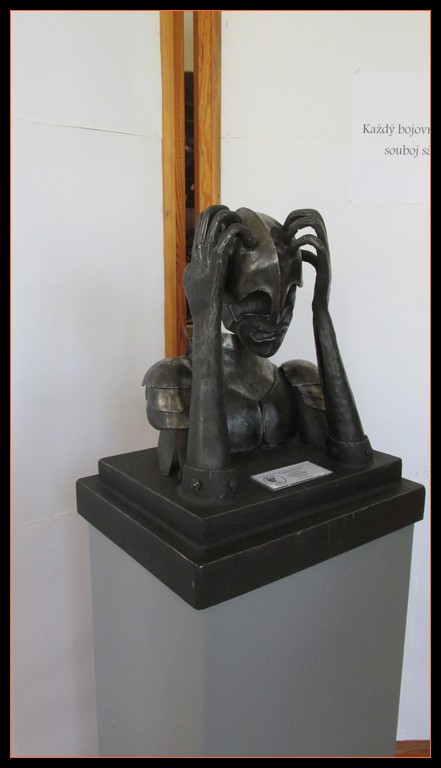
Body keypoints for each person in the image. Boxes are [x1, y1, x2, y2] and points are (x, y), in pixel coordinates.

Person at [143, 205, 372, 500]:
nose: (277, 318)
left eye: (289, 296)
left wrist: (321, 311)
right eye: (258, 299)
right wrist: (205, 315)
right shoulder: (174, 381)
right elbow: (207, 484)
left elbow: (351, 458)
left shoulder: (296, 379)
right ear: (223, 295)